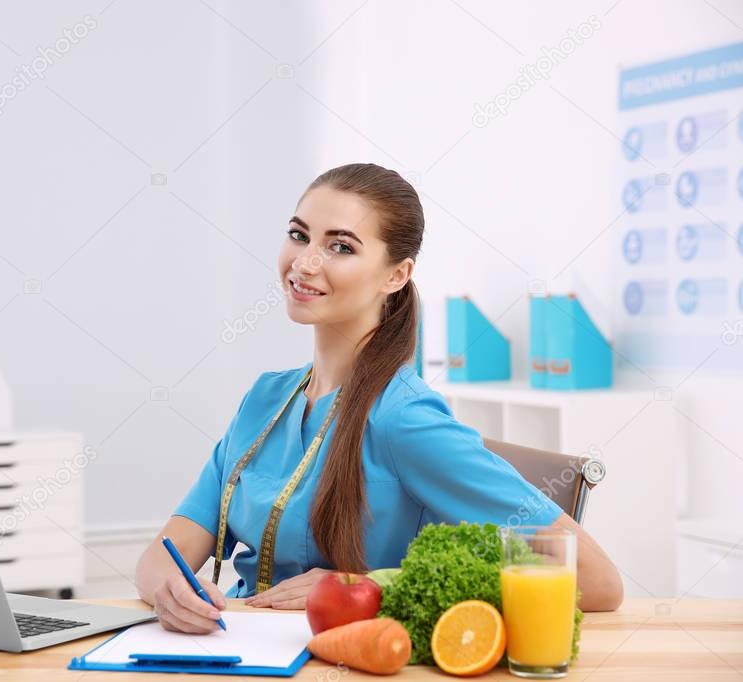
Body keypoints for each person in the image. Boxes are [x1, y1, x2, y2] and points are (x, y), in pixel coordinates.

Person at [134, 163, 624, 633]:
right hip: (236, 655)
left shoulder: (402, 417)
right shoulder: (263, 400)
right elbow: (161, 557)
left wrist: (371, 588)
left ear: (396, 275)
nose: (305, 262)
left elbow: (599, 583)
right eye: (299, 235)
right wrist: (171, 594)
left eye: (340, 247)